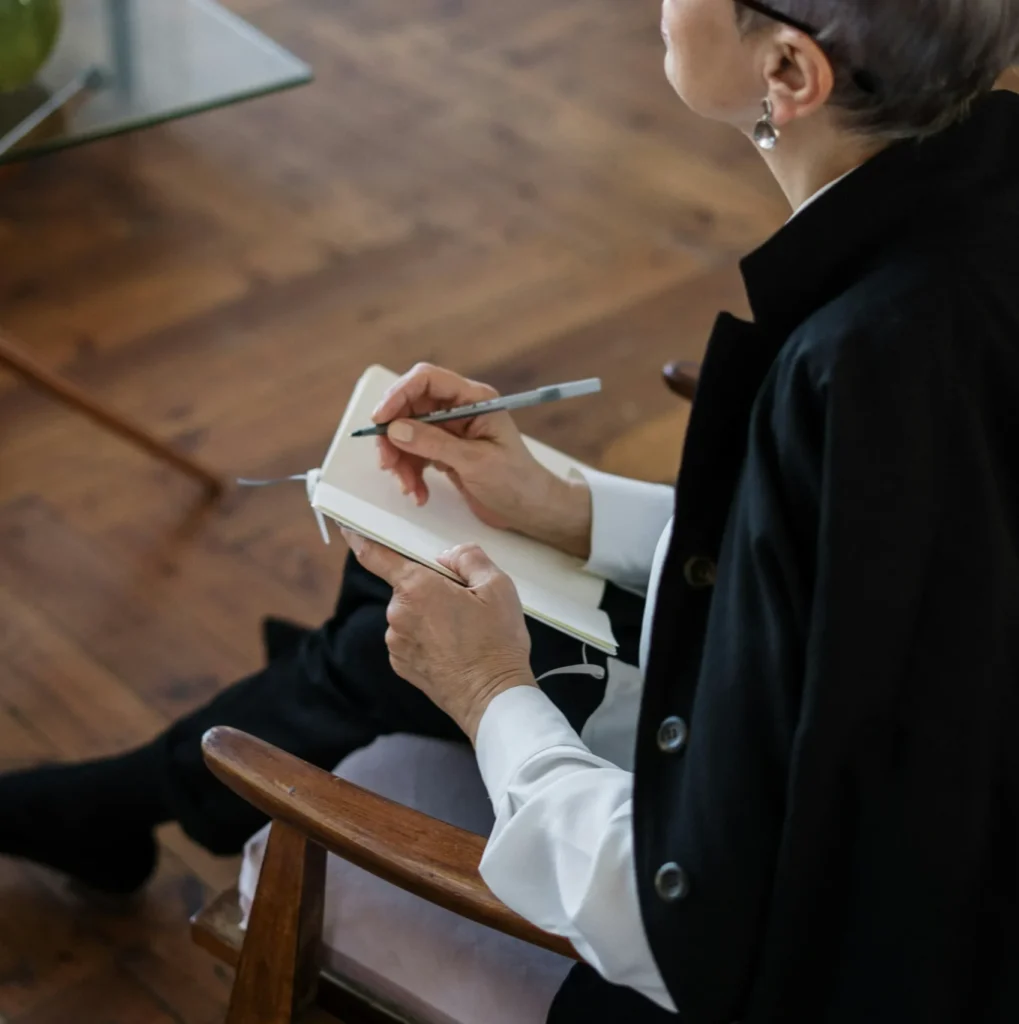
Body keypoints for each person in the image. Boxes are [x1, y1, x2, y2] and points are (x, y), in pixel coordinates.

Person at [3, 1, 1019, 1020]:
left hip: (743, 975)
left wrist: (489, 688)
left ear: (790, 72)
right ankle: (129, 795)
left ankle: (131, 794)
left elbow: (681, 919)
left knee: (425, 631)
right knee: (405, 597)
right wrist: (563, 505)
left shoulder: (847, 383)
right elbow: (833, 568)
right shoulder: (952, 252)